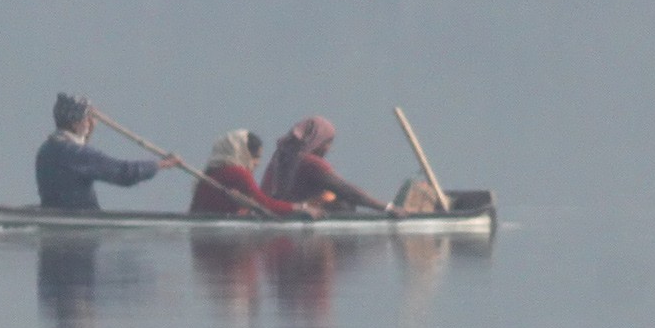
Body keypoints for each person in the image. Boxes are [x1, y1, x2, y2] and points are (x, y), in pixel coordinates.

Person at [35, 93, 180, 210]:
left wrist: (89, 131)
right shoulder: (76, 155)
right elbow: (124, 174)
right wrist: (163, 164)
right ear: (75, 123)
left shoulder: (47, 149)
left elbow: (77, 160)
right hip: (81, 223)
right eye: (87, 119)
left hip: (55, 211)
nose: (90, 122)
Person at [260, 116, 404, 216]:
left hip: (273, 209)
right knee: (345, 204)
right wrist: (387, 208)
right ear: (317, 140)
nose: (329, 148)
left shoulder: (283, 154)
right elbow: (348, 192)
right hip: (286, 213)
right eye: (328, 142)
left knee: (335, 201)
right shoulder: (310, 162)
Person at [189, 130, 318, 218]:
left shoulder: (212, 172)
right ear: (243, 153)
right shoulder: (236, 172)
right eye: (255, 157)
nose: (257, 163)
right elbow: (264, 204)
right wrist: (299, 208)